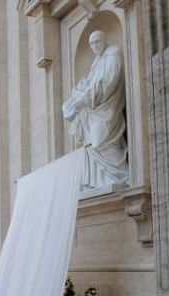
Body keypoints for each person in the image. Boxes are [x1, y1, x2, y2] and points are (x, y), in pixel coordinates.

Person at [62, 30, 128, 190]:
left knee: (101, 142)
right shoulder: (97, 61)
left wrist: (83, 99)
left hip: (106, 107)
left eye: (97, 41)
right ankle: (98, 182)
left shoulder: (113, 54)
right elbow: (91, 82)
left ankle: (121, 176)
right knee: (91, 144)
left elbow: (108, 83)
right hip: (92, 110)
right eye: (91, 43)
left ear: (104, 40)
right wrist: (79, 94)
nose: (94, 46)